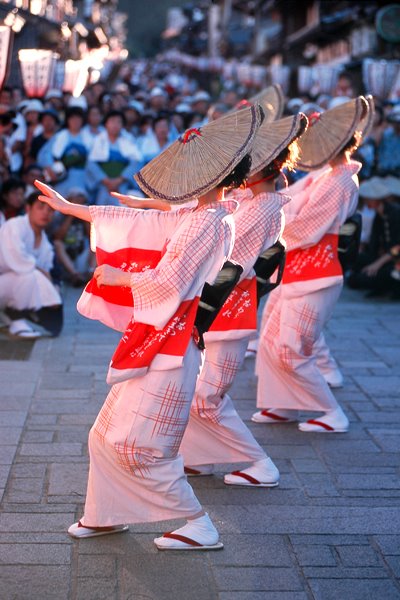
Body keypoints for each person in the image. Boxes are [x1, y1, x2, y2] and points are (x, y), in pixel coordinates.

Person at [35, 103, 262, 550]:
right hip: (165, 339)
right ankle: (106, 512)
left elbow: (169, 282)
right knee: (104, 436)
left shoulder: (208, 221)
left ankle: (195, 521)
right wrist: (71, 207)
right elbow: (147, 219)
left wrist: (122, 277)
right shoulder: (203, 216)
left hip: (173, 343)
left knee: (137, 445)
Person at [179, 109, 308, 486]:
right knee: (202, 394)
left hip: (230, 309)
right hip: (228, 309)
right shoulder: (258, 204)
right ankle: (200, 458)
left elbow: (230, 264)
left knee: (207, 397)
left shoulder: (261, 208)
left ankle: (259, 463)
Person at [252, 96, 368, 433]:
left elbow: (309, 226)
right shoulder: (326, 176)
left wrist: (268, 221)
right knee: (273, 340)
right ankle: (286, 404)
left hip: (317, 272)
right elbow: (292, 202)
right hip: (298, 270)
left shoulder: (342, 179)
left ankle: (330, 412)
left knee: (290, 348)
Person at [0, 192, 62, 338]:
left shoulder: (46, 243)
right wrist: (46, 281)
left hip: (10, 287)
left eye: (50, 210)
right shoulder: (14, 226)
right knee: (28, 275)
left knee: (33, 277)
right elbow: (18, 261)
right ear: (28, 208)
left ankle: (10, 317)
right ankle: (16, 320)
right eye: (41, 207)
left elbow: (46, 274)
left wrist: (53, 292)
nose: (45, 213)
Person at [86, 110, 142, 205]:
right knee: (101, 207)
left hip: (122, 183)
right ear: (106, 124)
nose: (115, 125)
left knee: (122, 207)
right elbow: (91, 164)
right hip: (103, 184)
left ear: (122, 125)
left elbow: (136, 162)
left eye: (118, 122)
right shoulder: (97, 140)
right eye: (112, 121)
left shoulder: (129, 140)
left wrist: (119, 180)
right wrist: (106, 180)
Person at [51, 187, 95, 286]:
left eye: (81, 200)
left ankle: (91, 272)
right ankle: (74, 274)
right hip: (65, 257)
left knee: (96, 244)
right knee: (57, 244)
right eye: (75, 199)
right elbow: (58, 237)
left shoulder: (86, 215)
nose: (78, 202)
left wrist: (83, 214)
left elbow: (91, 236)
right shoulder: (59, 215)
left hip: (80, 254)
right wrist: (71, 212)